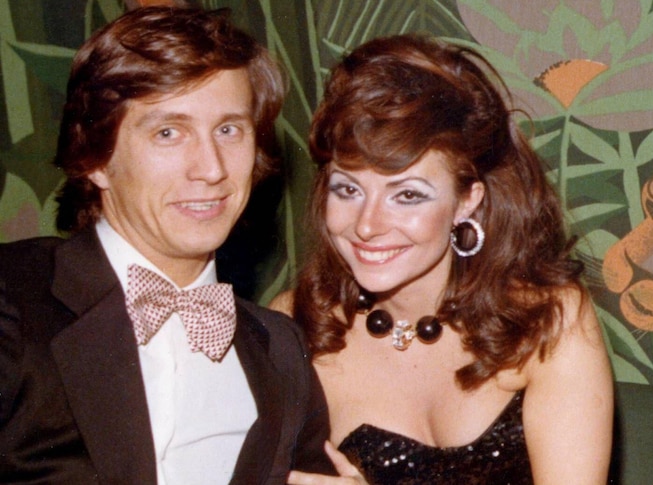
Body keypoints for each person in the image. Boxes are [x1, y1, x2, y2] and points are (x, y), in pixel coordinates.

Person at [0, 6, 334, 484]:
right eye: (168, 132)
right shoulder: (14, 300)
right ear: (95, 157)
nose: (211, 169)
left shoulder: (280, 349)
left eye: (228, 129)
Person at [271, 34, 613, 484]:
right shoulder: (295, 326)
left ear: (467, 200)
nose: (367, 225)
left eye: (408, 195)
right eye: (348, 189)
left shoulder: (548, 320)